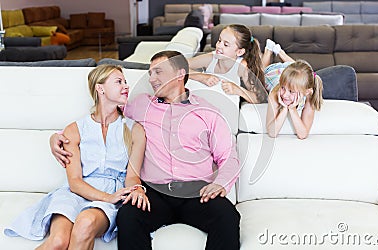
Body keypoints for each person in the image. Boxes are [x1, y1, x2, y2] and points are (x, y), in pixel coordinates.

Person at [48, 51, 241, 250]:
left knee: (227, 215)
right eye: (150, 73)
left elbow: (228, 156)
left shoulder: (208, 112)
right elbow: (104, 118)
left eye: (158, 72)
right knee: (129, 215)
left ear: (179, 74)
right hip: (154, 192)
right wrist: (57, 137)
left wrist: (220, 184)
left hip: (196, 191)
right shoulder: (140, 105)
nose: (151, 79)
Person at [4, 64, 147, 249]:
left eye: (125, 82)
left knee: (85, 223)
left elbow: (132, 176)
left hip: (112, 193)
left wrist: (136, 190)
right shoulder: (74, 130)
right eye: (119, 82)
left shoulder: (134, 130)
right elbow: (75, 181)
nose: (126, 86)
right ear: (100, 88)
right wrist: (106, 197)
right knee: (58, 241)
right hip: (74, 193)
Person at [188, 24, 267, 104]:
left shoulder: (241, 67)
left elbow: (259, 98)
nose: (219, 46)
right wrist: (200, 77)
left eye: (226, 44)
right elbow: (178, 67)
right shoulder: (211, 58)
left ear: (239, 52)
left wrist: (239, 90)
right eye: (219, 40)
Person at [266, 59, 323, 140]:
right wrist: (284, 109)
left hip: (291, 75)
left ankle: (281, 53)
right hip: (273, 72)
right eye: (283, 88)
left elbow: (302, 134)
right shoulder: (275, 94)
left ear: (306, 92)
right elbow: (272, 132)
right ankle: (269, 51)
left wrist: (292, 109)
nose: (285, 95)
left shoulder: (309, 95)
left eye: (291, 92)